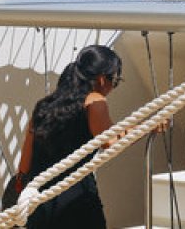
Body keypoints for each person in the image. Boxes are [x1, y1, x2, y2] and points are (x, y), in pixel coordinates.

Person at [10, 45, 122, 228]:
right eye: (114, 80)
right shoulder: (95, 100)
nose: (113, 86)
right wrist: (145, 127)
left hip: (39, 201)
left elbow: (25, 161)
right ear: (102, 79)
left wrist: (20, 184)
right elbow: (111, 141)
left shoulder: (44, 105)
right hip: (77, 202)